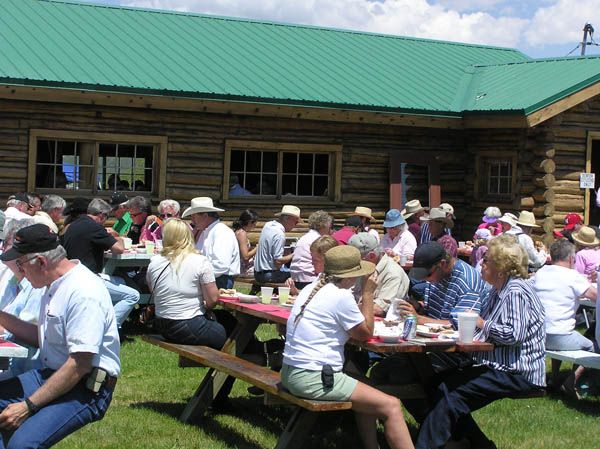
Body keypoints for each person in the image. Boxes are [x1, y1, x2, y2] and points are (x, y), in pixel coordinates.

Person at [414, 235, 545, 449]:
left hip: (518, 371)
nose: (481, 264)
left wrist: (481, 322)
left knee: (452, 396)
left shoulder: (516, 292)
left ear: (502, 269)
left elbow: (514, 335)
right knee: (437, 384)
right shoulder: (498, 290)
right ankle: (478, 445)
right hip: (499, 366)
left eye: (487, 261)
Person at [282, 245, 414, 449]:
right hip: (313, 378)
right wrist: (369, 294)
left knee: (369, 389)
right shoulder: (340, 296)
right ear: (352, 275)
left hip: (291, 372)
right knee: (392, 405)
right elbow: (366, 333)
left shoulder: (312, 288)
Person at [0, 224, 120, 448]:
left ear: (42, 262)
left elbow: (79, 364)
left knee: (22, 444)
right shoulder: (53, 284)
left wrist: (28, 406)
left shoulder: (83, 292)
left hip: (86, 388)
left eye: (20, 264)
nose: (21, 272)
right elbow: (42, 338)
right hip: (52, 375)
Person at [60, 198, 140, 329]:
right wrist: (117, 236)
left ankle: (97, 316)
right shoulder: (94, 227)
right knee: (133, 295)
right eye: (107, 217)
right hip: (87, 279)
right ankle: (107, 328)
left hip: (73, 275)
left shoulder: (74, 225)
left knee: (121, 281)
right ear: (102, 215)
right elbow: (119, 248)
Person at [147, 219, 226, 348]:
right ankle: (262, 354)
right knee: (230, 333)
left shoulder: (154, 261)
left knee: (227, 320)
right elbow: (213, 299)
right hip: (188, 325)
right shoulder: (200, 261)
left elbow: (155, 292)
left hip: (161, 324)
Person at [533, 239, 596, 394]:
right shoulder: (572, 275)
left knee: (561, 330)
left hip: (537, 334)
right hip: (559, 336)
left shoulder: (542, 271)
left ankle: (554, 378)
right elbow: (595, 296)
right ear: (570, 259)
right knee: (593, 346)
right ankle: (571, 380)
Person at [403, 242, 488, 328]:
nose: (425, 279)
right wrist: (418, 307)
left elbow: (462, 325)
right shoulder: (436, 276)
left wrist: (419, 319)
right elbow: (432, 313)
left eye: (427, 275)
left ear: (442, 264)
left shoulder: (467, 283)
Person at [0, 219, 44, 380]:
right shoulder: (11, 279)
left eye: (8, 243)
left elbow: (24, 332)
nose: (3, 248)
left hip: (25, 371)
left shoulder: (37, 286)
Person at [183, 197, 240, 289]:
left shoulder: (222, 232)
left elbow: (221, 266)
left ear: (205, 216)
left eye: (194, 216)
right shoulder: (206, 232)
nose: (192, 221)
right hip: (210, 278)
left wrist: (196, 276)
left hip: (219, 281)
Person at [349, 232, 409, 317]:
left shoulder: (393, 274)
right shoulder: (365, 267)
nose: (354, 264)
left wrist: (346, 308)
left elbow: (379, 309)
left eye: (357, 260)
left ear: (372, 256)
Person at [254, 205, 300, 284]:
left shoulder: (268, 225)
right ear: (288, 219)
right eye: (295, 222)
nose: (295, 225)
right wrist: (295, 254)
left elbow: (269, 251)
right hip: (269, 275)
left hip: (257, 273)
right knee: (298, 275)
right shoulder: (279, 234)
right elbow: (277, 261)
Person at [290, 210, 333, 290]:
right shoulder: (318, 240)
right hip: (309, 278)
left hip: (296, 276)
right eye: (330, 226)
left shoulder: (305, 237)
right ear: (324, 225)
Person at [233, 209, 259, 276]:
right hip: (242, 268)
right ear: (250, 222)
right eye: (254, 224)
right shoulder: (242, 233)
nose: (255, 226)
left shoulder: (238, 231)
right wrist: (257, 248)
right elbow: (245, 256)